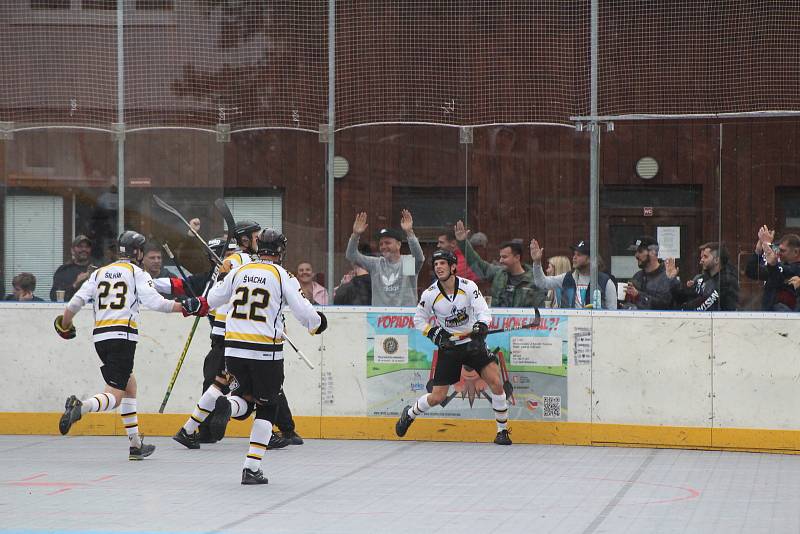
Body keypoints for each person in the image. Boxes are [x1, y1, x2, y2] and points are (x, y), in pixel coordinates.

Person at [54, 230, 205, 460]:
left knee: (129, 385)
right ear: (137, 252)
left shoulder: (99, 273)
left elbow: (75, 302)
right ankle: (81, 406)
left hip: (100, 338)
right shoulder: (136, 272)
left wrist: (65, 325)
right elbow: (156, 303)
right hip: (122, 337)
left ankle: (136, 445)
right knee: (114, 396)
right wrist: (186, 307)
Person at [198, 228, 327, 484]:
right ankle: (251, 468)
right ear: (280, 251)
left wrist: (196, 306)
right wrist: (317, 324)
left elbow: (212, 299)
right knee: (268, 407)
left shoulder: (239, 271)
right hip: (265, 353)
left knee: (244, 400)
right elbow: (304, 311)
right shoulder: (282, 275)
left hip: (233, 349)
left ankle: (228, 405)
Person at [171, 220, 292, 448]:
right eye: (256, 237)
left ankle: (187, 430)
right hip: (236, 336)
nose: (260, 241)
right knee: (251, 392)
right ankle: (263, 433)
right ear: (245, 240)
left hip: (228, 334)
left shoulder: (239, 262)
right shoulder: (243, 262)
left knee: (219, 383)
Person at [395, 248, 511, 445]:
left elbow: (483, 311)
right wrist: (435, 334)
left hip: (473, 345)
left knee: (497, 383)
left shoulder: (468, 287)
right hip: (450, 348)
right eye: (436, 264)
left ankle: (502, 431)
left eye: (443, 263)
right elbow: (419, 320)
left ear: (453, 267)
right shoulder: (430, 294)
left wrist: (481, 325)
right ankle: (410, 412)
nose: (438, 267)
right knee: (437, 397)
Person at [454, 220, 546, 308]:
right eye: (500, 257)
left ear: (517, 257)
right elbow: (477, 263)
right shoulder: (498, 274)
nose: (500, 260)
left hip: (524, 323)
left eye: (504, 257)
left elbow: (540, 311)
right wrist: (462, 243)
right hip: (498, 323)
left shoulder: (534, 280)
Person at [345, 210, 425, 306]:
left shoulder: (406, 263)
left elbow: (419, 258)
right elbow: (351, 255)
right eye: (381, 244)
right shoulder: (376, 264)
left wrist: (409, 233)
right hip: (379, 318)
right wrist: (355, 235)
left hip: (404, 318)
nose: (383, 246)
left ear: (398, 245)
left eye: (388, 243)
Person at [529, 239, 617, 309]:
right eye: (574, 254)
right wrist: (537, 262)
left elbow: (613, 314)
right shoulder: (567, 278)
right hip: (570, 328)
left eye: (579, 255)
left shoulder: (605, 282)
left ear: (590, 259)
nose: (574, 257)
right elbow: (541, 283)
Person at [667, 242, 739, 311]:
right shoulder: (702, 279)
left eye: (705, 257)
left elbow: (704, 305)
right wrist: (672, 280)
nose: (701, 261)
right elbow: (684, 297)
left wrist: (683, 310)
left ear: (717, 260)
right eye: (702, 257)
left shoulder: (727, 281)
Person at [745, 226, 800, 311]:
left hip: (788, 319)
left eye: (783, 251)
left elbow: (779, 273)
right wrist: (758, 251)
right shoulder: (777, 267)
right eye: (779, 250)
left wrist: (768, 245)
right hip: (769, 315)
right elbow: (751, 272)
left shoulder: (794, 269)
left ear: (796, 252)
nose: (779, 253)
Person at [622, 236, 679, 310]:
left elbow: (665, 304)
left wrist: (639, 295)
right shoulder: (637, 276)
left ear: (653, 252)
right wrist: (626, 305)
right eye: (635, 252)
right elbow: (631, 303)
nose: (636, 255)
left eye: (640, 251)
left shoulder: (667, 275)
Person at [50, 235, 97, 302]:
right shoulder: (63, 271)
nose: (84, 249)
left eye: (87, 247)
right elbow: (54, 297)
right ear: (72, 250)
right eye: (80, 247)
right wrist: (75, 284)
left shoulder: (98, 270)